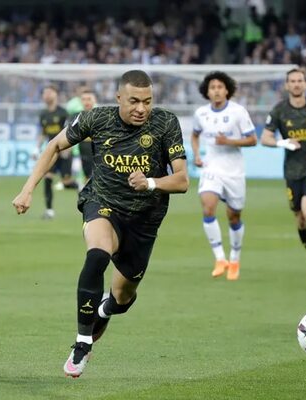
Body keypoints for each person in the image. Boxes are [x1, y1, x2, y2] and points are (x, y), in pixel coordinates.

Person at [12, 70, 189, 377]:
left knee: (122, 298)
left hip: (145, 221)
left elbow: (183, 181)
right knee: (97, 255)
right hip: (102, 203)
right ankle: (82, 343)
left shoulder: (166, 123)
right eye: (134, 101)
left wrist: (149, 182)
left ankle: (104, 308)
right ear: (119, 97)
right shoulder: (96, 119)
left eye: (147, 102)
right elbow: (54, 145)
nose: (141, 109)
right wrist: (27, 190)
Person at [261, 67, 306, 279]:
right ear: (287, 85)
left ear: (305, 84)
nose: (296, 84)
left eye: (299, 80)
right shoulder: (279, 110)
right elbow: (265, 138)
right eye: (292, 81)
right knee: (300, 218)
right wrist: (283, 142)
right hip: (292, 171)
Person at [191, 71, 257, 280]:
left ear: (227, 90)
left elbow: (252, 140)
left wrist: (229, 142)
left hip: (234, 170)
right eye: (212, 87)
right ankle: (220, 258)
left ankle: (234, 259)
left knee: (233, 216)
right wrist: (196, 155)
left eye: (220, 87)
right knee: (208, 207)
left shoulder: (238, 112)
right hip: (211, 167)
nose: (216, 91)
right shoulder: (201, 113)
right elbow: (194, 135)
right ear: (207, 92)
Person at [36, 85, 77, 219]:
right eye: (45, 93)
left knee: (66, 182)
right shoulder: (43, 114)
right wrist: (36, 148)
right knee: (47, 178)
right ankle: (49, 210)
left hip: (64, 151)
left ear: (56, 95)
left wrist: (68, 148)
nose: (47, 95)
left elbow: (69, 132)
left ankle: (81, 186)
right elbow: (43, 133)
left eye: (50, 92)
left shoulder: (63, 113)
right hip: (52, 152)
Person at [77, 89, 97, 183]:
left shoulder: (101, 116)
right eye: (84, 99)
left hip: (99, 153)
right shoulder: (77, 117)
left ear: (94, 100)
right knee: (87, 178)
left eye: (89, 99)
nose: (86, 102)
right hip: (83, 151)